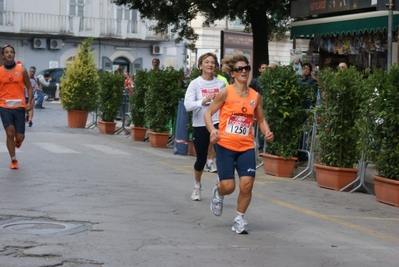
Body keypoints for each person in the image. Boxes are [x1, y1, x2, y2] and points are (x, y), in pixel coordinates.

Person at [204, 51, 274, 234]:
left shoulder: (255, 96)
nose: (244, 71)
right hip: (226, 145)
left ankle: (239, 219)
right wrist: (213, 131)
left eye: (247, 68)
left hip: (246, 147)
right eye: (239, 69)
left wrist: (267, 131)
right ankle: (219, 192)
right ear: (232, 73)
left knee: (247, 184)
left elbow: (261, 119)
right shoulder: (225, 92)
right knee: (229, 186)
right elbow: (208, 113)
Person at [184, 52, 226, 201]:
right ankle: (197, 185)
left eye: (212, 62)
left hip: (217, 122)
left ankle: (219, 186)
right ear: (200, 65)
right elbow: (187, 105)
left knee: (222, 155)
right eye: (207, 62)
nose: (210, 65)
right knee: (200, 159)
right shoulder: (195, 83)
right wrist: (204, 100)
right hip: (200, 123)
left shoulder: (220, 84)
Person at [0, 44, 33, 169]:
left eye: (11, 52)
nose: (9, 54)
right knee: (10, 131)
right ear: (3, 56)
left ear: (14, 55)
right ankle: (13, 160)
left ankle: (16, 142)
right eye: (6, 52)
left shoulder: (22, 70)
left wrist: (29, 102)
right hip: (4, 105)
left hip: (19, 106)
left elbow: (29, 87)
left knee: (20, 137)